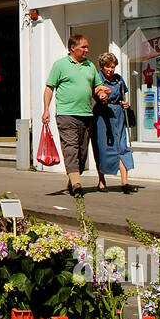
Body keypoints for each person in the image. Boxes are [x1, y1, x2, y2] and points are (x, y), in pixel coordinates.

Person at [42, 33, 110, 196]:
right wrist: (46, 109)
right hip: (66, 114)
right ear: (73, 48)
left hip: (86, 114)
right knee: (71, 148)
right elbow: (49, 88)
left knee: (82, 151)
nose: (87, 49)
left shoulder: (90, 66)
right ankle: (77, 184)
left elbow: (97, 86)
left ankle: (72, 180)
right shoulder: (60, 65)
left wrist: (101, 93)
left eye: (87, 47)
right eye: (83, 47)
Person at [93, 52, 136, 194]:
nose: (111, 70)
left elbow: (123, 95)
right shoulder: (97, 78)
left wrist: (125, 104)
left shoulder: (119, 80)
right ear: (102, 66)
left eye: (113, 67)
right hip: (102, 115)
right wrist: (101, 95)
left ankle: (125, 182)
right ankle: (101, 180)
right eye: (108, 67)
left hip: (118, 115)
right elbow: (92, 93)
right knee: (102, 147)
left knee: (122, 146)